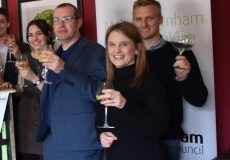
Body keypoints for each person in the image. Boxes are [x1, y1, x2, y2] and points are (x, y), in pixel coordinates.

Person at [132, 1, 208, 159]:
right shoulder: (125, 54)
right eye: (138, 19)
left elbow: (200, 99)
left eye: (150, 18)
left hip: (166, 140)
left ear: (160, 19)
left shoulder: (180, 53)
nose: (144, 24)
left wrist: (183, 78)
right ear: (133, 21)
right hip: (132, 139)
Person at [34, 3, 106, 159]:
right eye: (56, 20)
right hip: (52, 142)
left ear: (79, 22)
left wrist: (63, 69)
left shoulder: (96, 52)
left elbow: (99, 93)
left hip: (82, 142)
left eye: (67, 19)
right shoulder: (55, 54)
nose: (60, 25)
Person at [98, 21, 170, 160]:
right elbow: (101, 121)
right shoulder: (106, 82)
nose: (116, 50)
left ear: (137, 48)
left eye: (124, 44)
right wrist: (101, 135)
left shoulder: (150, 80)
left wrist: (125, 104)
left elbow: (159, 127)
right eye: (112, 44)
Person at [13, 19, 54, 160]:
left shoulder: (55, 59)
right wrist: (12, 88)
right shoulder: (23, 57)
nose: (34, 38)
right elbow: (20, 90)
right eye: (30, 35)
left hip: (47, 115)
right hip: (26, 114)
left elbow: (53, 93)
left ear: (47, 35)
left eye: (39, 33)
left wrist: (32, 77)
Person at [0, 7, 31, 86]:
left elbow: (31, 76)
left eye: (2, 22)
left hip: (18, 97)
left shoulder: (24, 47)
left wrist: (19, 56)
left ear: (8, 24)